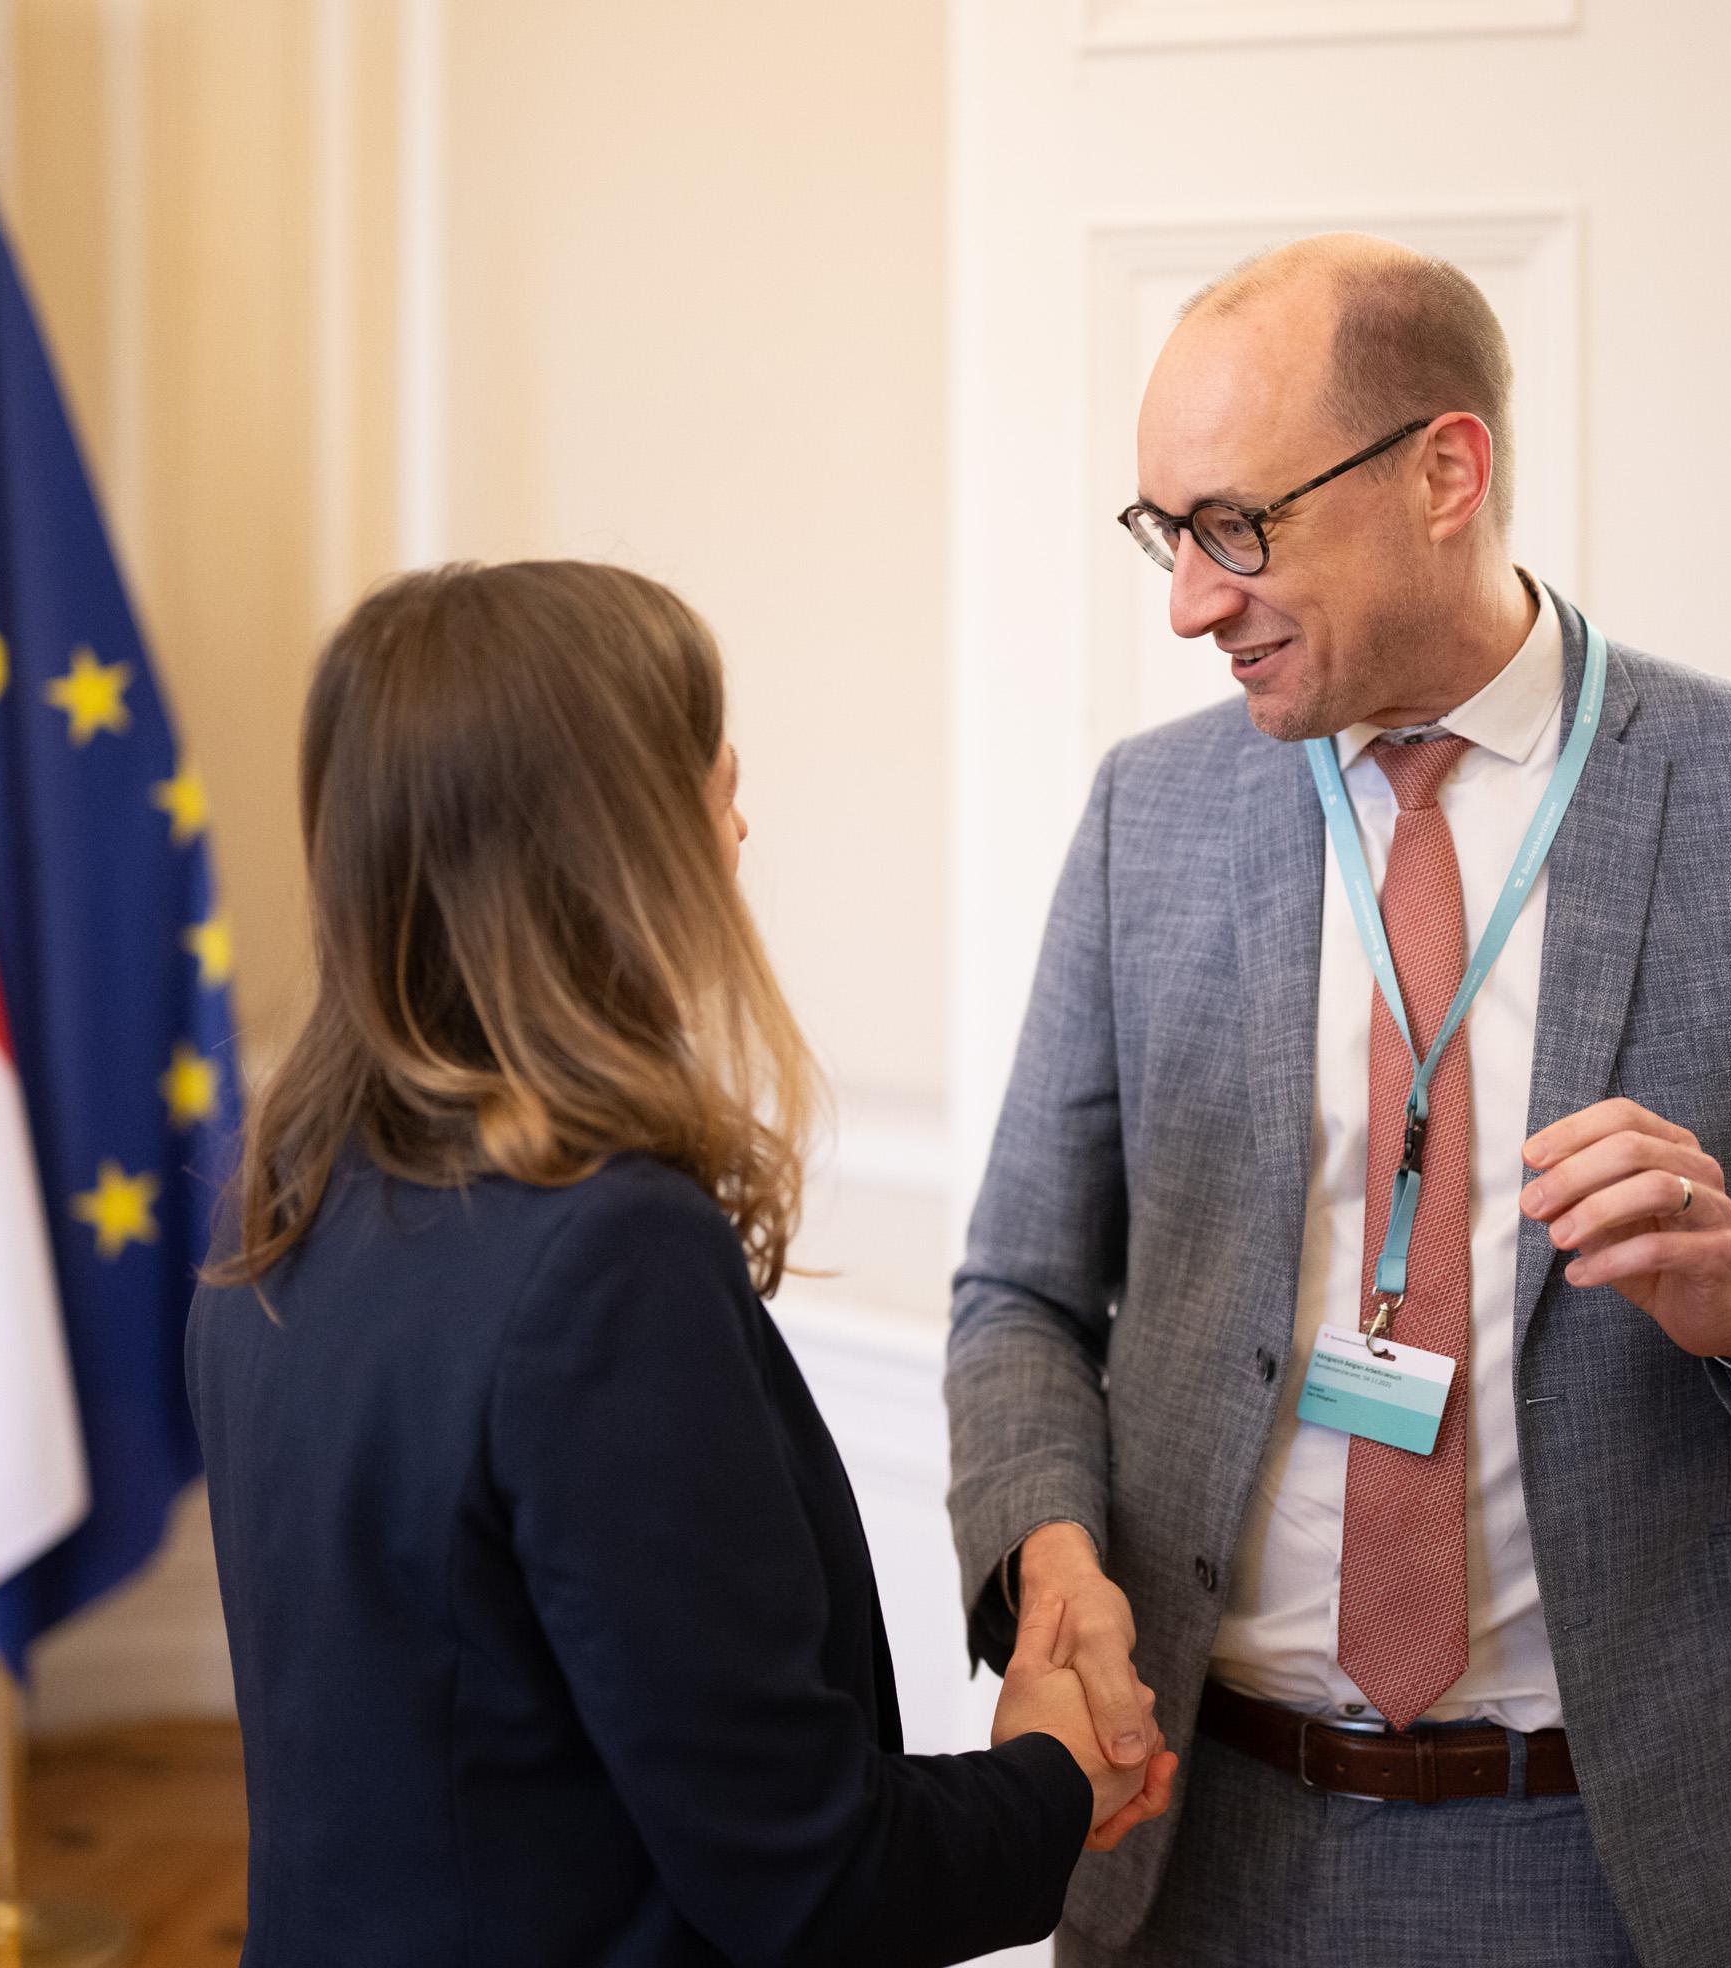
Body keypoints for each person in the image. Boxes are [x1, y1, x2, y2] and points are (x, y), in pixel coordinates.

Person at [944, 233, 1731, 1968]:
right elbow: (1016, 1289)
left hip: (1602, 1859)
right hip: (1184, 1830)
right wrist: (1048, 1551)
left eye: (1239, 527)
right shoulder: (1145, 821)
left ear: (1445, 474)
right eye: (1167, 534)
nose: (1187, 601)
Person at [189, 561, 1176, 1968]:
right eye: (717, 784)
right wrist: (1053, 1773)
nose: (741, 828)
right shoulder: (604, 1262)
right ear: (622, 849)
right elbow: (809, 1880)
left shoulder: (280, 1206)